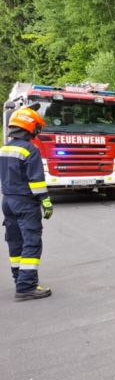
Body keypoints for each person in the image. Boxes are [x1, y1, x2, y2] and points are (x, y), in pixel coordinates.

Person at [0, 107, 54, 300]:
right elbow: (36, 180)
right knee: (31, 242)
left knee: (15, 242)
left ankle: (20, 280)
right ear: (30, 126)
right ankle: (26, 287)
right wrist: (45, 201)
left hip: (7, 201)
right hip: (25, 202)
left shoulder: (5, 149)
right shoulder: (30, 149)